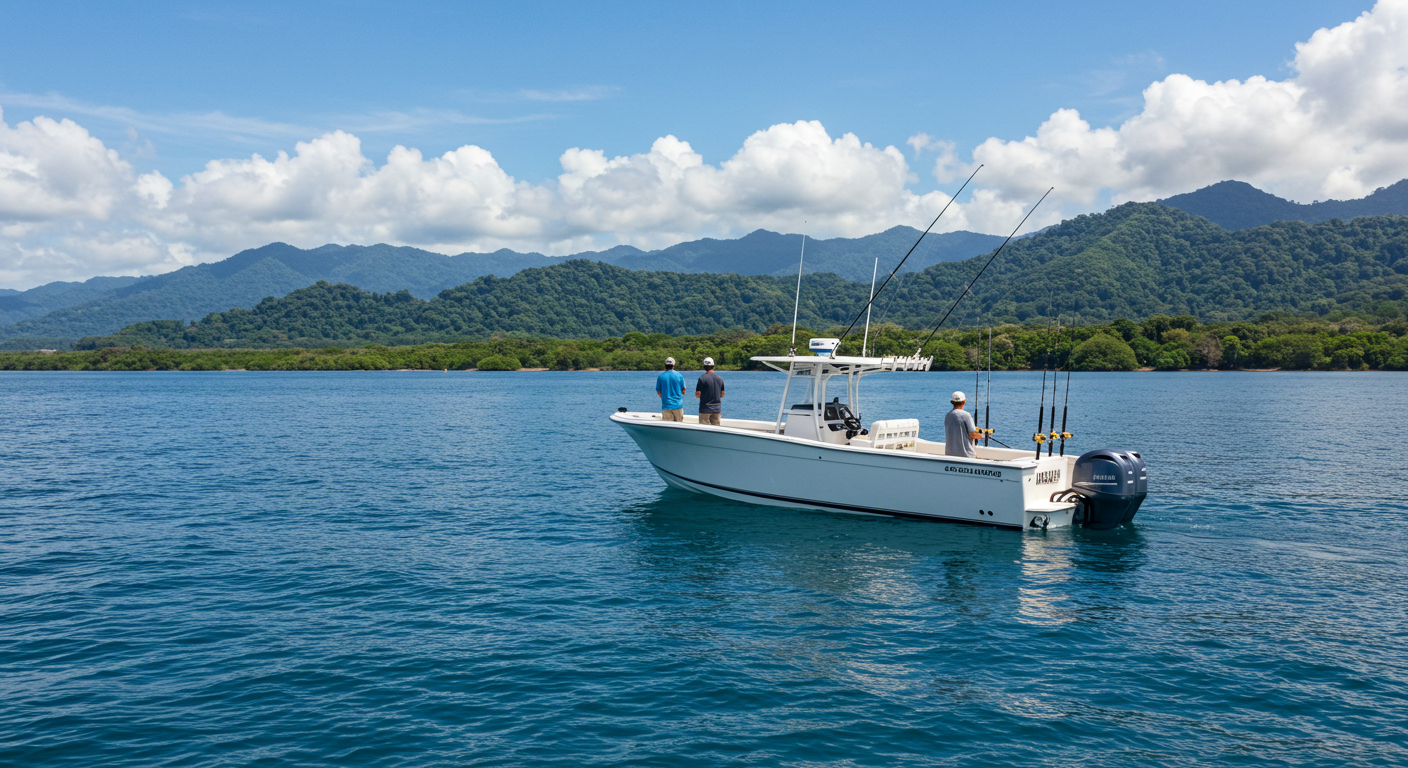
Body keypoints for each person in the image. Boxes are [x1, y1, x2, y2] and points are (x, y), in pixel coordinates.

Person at [944, 390, 980, 458]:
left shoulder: (948, 416)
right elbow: (974, 435)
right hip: (966, 455)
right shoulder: (966, 415)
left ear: (952, 402)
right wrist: (983, 434)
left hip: (949, 456)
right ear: (964, 401)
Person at [695, 357, 725, 426]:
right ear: (713, 366)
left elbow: (698, 394)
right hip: (716, 409)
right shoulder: (720, 379)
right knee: (716, 431)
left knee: (704, 431)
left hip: (704, 409)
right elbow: (722, 394)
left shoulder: (701, 378)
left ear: (704, 366)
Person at [656, 357, 686, 421]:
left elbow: (658, 391)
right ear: (673, 365)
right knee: (679, 426)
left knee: (668, 428)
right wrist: (679, 396)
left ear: (665, 365)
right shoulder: (679, 375)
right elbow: (684, 389)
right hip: (678, 405)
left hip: (666, 405)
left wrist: (664, 397)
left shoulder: (660, 377)